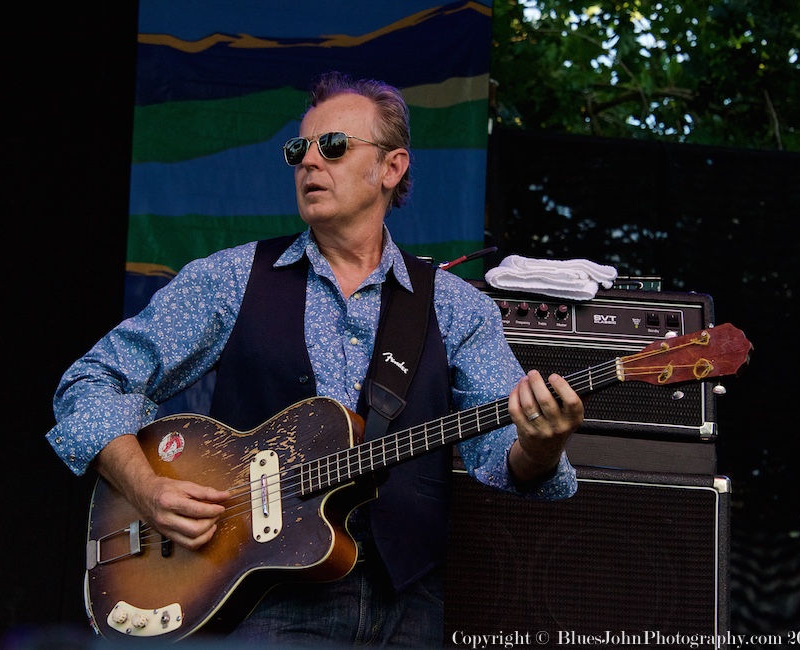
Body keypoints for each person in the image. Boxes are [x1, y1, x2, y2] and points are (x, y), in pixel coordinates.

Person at [47, 71, 584, 647]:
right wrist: (148, 488)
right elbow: (91, 382)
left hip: (409, 604)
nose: (309, 162)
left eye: (332, 146)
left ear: (391, 168)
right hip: (261, 603)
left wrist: (543, 445)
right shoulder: (230, 278)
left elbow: (505, 458)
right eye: (298, 149)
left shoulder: (456, 307)